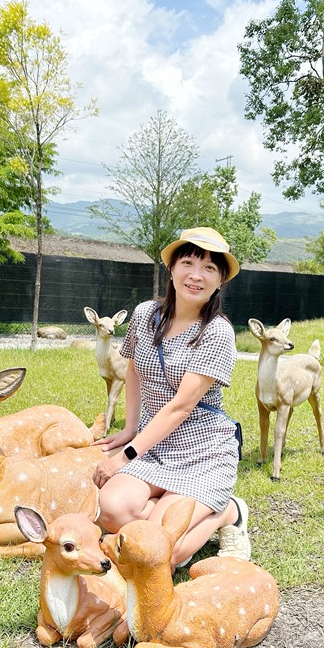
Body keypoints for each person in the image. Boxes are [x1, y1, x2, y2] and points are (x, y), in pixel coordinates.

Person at [92, 227, 250, 569]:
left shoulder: (218, 332)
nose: (196, 275)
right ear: (172, 269)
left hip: (202, 451)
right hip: (156, 445)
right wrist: (131, 428)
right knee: (111, 509)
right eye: (189, 262)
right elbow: (134, 369)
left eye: (209, 268)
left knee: (162, 554)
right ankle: (179, 513)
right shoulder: (145, 314)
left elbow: (180, 407)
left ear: (221, 279)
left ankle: (226, 512)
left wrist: (125, 457)